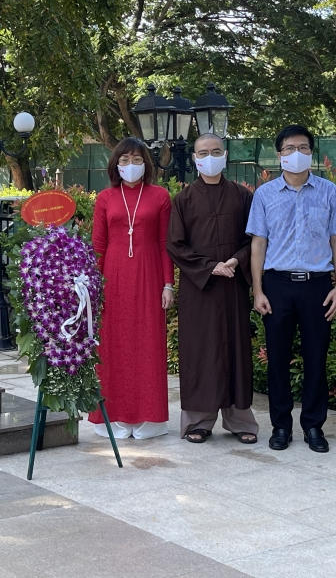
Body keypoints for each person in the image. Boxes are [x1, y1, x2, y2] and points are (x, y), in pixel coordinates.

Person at [248, 125, 336, 452]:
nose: (296, 153)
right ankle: (280, 426)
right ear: (279, 154)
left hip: (317, 285)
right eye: (289, 148)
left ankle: (314, 427)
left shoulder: (330, 192)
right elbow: (258, 244)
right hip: (277, 285)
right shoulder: (264, 194)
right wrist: (258, 290)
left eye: (303, 147)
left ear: (312, 153)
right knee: (277, 359)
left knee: (316, 358)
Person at [168, 134, 258, 444]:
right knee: (200, 352)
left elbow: (254, 240)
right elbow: (175, 245)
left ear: (226, 154)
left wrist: (235, 260)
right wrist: (209, 267)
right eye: (203, 153)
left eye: (215, 151)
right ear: (194, 158)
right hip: (200, 289)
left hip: (233, 285)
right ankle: (199, 421)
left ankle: (240, 420)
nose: (210, 157)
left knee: (236, 351)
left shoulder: (242, 196)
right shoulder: (183, 200)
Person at [89, 137, 174, 439]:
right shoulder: (105, 198)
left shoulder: (161, 196)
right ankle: (113, 417)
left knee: (147, 344)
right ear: (115, 165)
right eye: (124, 160)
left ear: (145, 164)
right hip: (112, 279)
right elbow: (98, 246)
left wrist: (168, 284)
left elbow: (165, 244)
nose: (130, 165)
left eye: (137, 159)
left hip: (149, 276)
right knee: (113, 345)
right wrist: (92, 286)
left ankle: (149, 418)